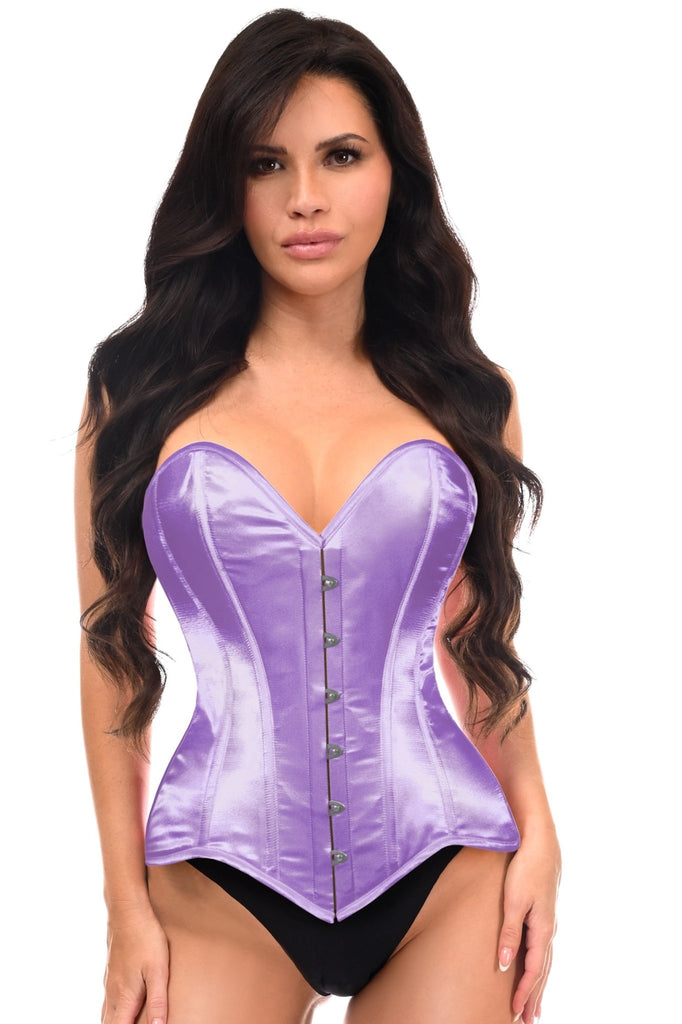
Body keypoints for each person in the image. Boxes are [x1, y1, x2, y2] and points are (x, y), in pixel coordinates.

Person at [75, 9, 560, 1023]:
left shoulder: (470, 399)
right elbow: (111, 656)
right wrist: (124, 907)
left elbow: (481, 642)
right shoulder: (138, 394)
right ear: (227, 186)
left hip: (448, 871)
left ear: (394, 174)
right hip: (217, 885)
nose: (305, 197)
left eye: (341, 156)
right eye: (266, 163)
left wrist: (541, 834)